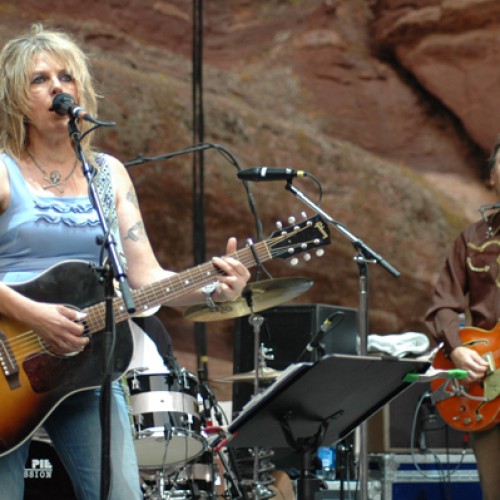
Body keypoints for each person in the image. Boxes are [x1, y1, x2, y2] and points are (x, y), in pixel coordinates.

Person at [0, 24, 250, 500]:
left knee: (121, 494)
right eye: (40, 79)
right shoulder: (2, 168)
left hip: (85, 365)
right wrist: (33, 314)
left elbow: (146, 279)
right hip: (4, 363)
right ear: (15, 97)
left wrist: (213, 290)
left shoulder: (106, 174)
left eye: (67, 76)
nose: (58, 87)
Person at [425, 138, 500, 500]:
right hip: (488, 384)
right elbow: (443, 305)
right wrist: (456, 350)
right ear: (492, 178)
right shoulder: (471, 239)